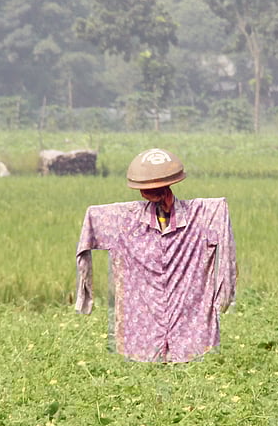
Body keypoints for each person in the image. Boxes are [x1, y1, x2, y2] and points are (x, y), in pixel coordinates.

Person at [74, 148, 236, 362]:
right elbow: (88, 232)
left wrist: (224, 295)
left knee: (188, 370)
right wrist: (85, 296)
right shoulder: (122, 220)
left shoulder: (204, 215)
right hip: (140, 334)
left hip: (191, 332)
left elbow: (226, 244)